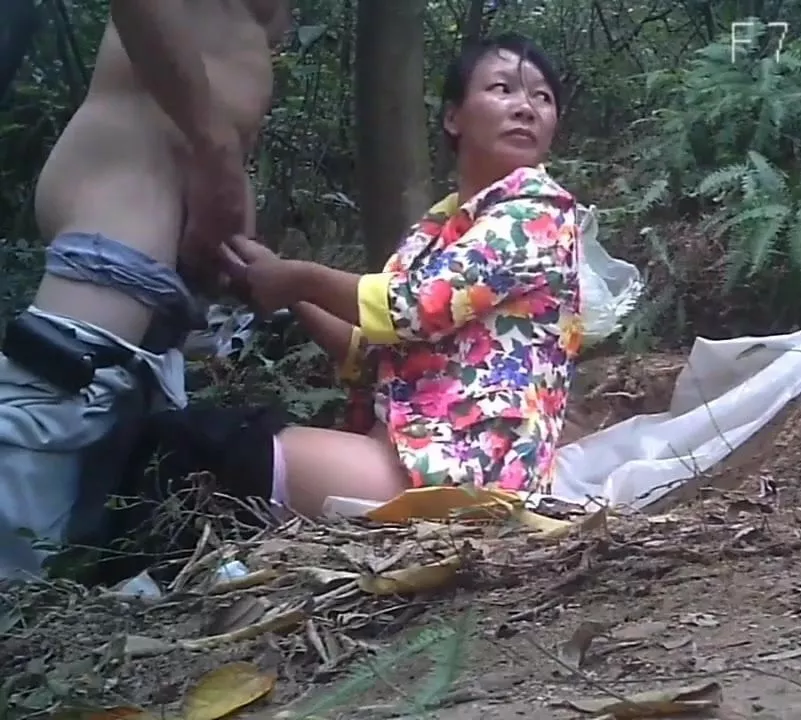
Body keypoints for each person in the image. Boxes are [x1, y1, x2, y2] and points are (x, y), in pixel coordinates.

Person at [224, 33, 582, 518]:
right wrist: (282, 287)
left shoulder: (537, 212)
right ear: (452, 117)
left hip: (467, 469)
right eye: (503, 89)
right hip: (410, 453)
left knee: (221, 448)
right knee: (205, 443)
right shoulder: (441, 227)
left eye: (542, 97)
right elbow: (374, 351)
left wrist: (298, 279)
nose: (526, 108)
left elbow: (411, 307)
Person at [0, 0, 292, 579]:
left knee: (130, 443)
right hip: (130, 181)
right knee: (50, 409)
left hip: (176, 210)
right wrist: (215, 149)